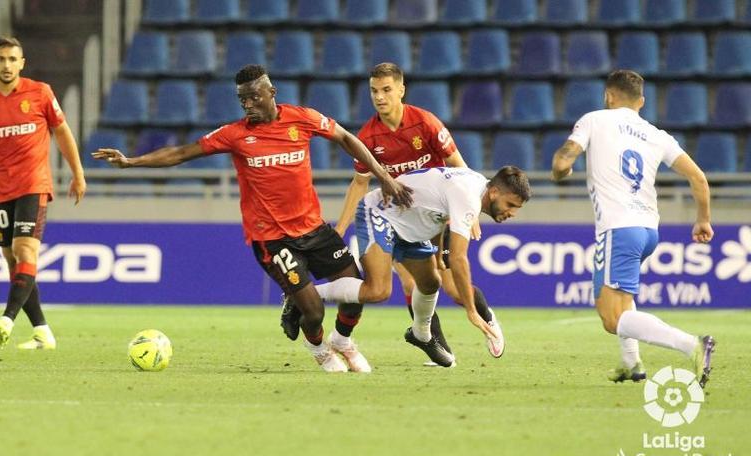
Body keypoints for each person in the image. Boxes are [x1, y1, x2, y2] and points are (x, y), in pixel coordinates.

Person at [92, 64, 412, 373]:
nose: (248, 105)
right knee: (313, 311)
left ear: (271, 92)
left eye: (254, 96)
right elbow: (181, 153)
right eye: (242, 99)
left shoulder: (302, 119)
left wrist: (382, 176)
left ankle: (342, 341)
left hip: (313, 229)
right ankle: (318, 348)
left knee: (356, 290)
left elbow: (345, 138)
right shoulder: (235, 135)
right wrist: (131, 162)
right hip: (272, 239)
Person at [320, 62, 504, 361]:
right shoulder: (368, 137)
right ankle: (431, 341)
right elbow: (359, 184)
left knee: (453, 288)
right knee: (412, 281)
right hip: (399, 220)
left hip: (437, 217)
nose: (380, 97)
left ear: (401, 90)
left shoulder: (425, 123)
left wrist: (469, 211)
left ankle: (490, 322)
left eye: (386, 90)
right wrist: (340, 229)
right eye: (374, 91)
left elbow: (459, 165)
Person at [551, 69, 716, 387]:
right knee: (623, 299)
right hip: (648, 230)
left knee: (611, 318)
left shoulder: (595, 119)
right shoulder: (657, 134)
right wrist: (703, 219)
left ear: (608, 96)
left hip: (618, 228)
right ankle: (632, 363)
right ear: (641, 102)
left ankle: (693, 346)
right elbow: (699, 178)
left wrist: (562, 169)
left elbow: (564, 159)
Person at [314, 166, 530, 367]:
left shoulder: (475, 183)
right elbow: (458, 258)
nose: (512, 213)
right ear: (493, 192)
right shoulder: (469, 197)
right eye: (510, 205)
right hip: (380, 213)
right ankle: (306, 295)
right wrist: (471, 311)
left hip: (411, 226)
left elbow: (435, 209)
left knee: (431, 282)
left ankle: (421, 334)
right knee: (378, 291)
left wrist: (436, 255)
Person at [0, 37, 87, 350]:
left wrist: (78, 174)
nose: (7, 65)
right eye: (1, 59)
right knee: (13, 261)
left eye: (13, 59)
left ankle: (7, 318)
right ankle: (42, 331)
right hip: (0, 189)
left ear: (22, 63)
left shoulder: (40, 92)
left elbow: (62, 131)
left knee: (26, 250)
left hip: (34, 184)